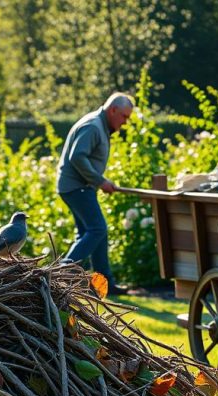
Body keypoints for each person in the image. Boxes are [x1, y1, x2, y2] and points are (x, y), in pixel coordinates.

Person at [56, 92, 134, 294]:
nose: (125, 122)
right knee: (97, 229)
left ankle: (104, 283)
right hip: (77, 187)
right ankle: (62, 273)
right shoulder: (93, 126)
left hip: (77, 186)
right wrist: (100, 181)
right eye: (124, 116)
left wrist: (99, 182)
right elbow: (77, 157)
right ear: (113, 109)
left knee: (93, 232)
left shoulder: (99, 125)